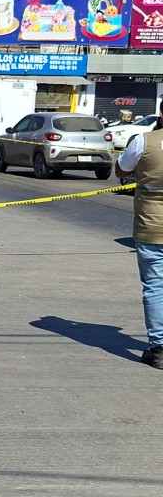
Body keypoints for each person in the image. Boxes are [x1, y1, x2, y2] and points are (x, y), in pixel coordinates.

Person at [116, 107, 163, 370]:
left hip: (151, 226)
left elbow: (122, 170)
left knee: (155, 287)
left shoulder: (144, 141)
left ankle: (158, 348)